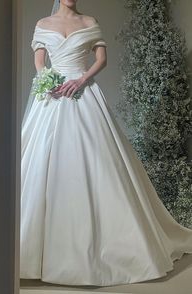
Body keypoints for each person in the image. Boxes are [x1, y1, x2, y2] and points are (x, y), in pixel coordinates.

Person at [20, 0, 192, 286]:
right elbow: (40, 60)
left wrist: (81, 80)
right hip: (52, 97)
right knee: (39, 164)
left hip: (82, 92)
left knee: (100, 164)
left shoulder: (89, 21)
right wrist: (46, 79)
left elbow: (101, 59)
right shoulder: (43, 24)